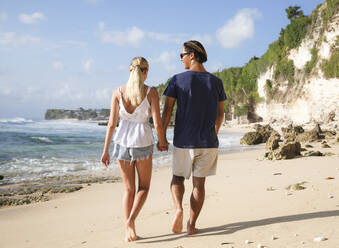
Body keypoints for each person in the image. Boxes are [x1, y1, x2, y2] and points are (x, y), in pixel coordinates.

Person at [162, 40, 226, 235]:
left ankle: (178, 209)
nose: (180, 59)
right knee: (199, 185)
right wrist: (213, 132)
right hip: (208, 142)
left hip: (184, 141)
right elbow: (220, 113)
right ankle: (191, 225)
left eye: (182, 55)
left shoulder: (177, 80)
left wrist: (161, 137)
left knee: (177, 178)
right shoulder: (216, 82)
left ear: (192, 55)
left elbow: (167, 111)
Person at [101, 57, 168, 242]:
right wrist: (162, 142)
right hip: (143, 142)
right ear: (145, 72)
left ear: (130, 70)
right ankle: (130, 221)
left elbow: (111, 124)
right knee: (144, 187)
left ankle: (128, 230)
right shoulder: (150, 92)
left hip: (121, 143)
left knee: (128, 189)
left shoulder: (117, 92)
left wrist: (105, 150)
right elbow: (158, 123)